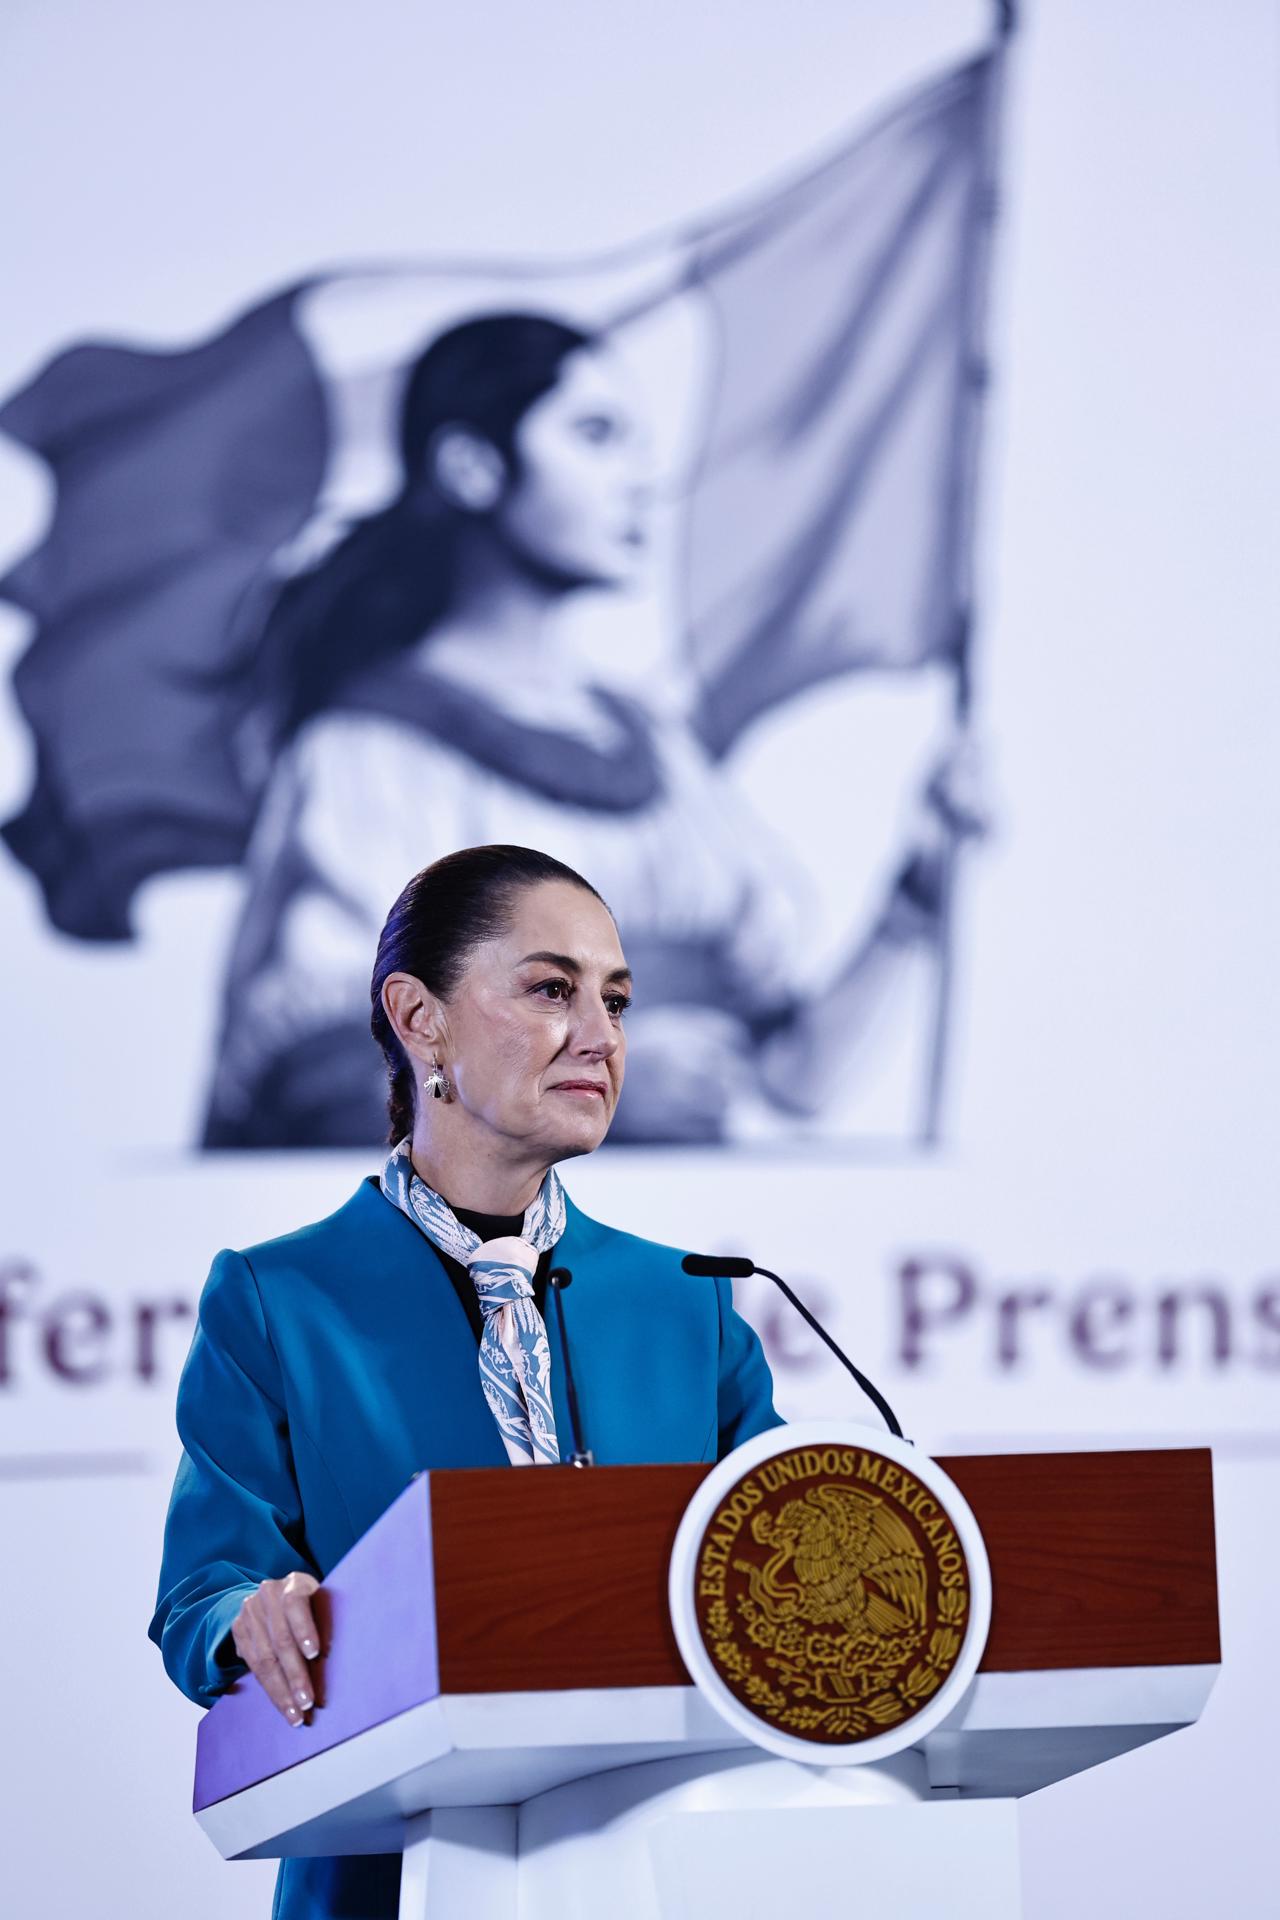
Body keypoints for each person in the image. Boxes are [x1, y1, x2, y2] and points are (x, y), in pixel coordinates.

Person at [150, 842, 783, 1920]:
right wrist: (252, 1615)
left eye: (616, 1001)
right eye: (550, 990)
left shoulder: (689, 1302)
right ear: (419, 1018)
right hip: (390, 1881)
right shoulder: (278, 1298)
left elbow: (779, 1564)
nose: (601, 1036)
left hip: (675, 1874)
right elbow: (201, 1600)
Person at [201, 309, 976, 1151]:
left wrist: (916, 900)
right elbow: (323, 1089)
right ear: (471, 465)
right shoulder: (366, 757)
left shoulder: (661, 757)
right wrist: (586, 1092)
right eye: (595, 434)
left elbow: (790, 1080)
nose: (639, 479)